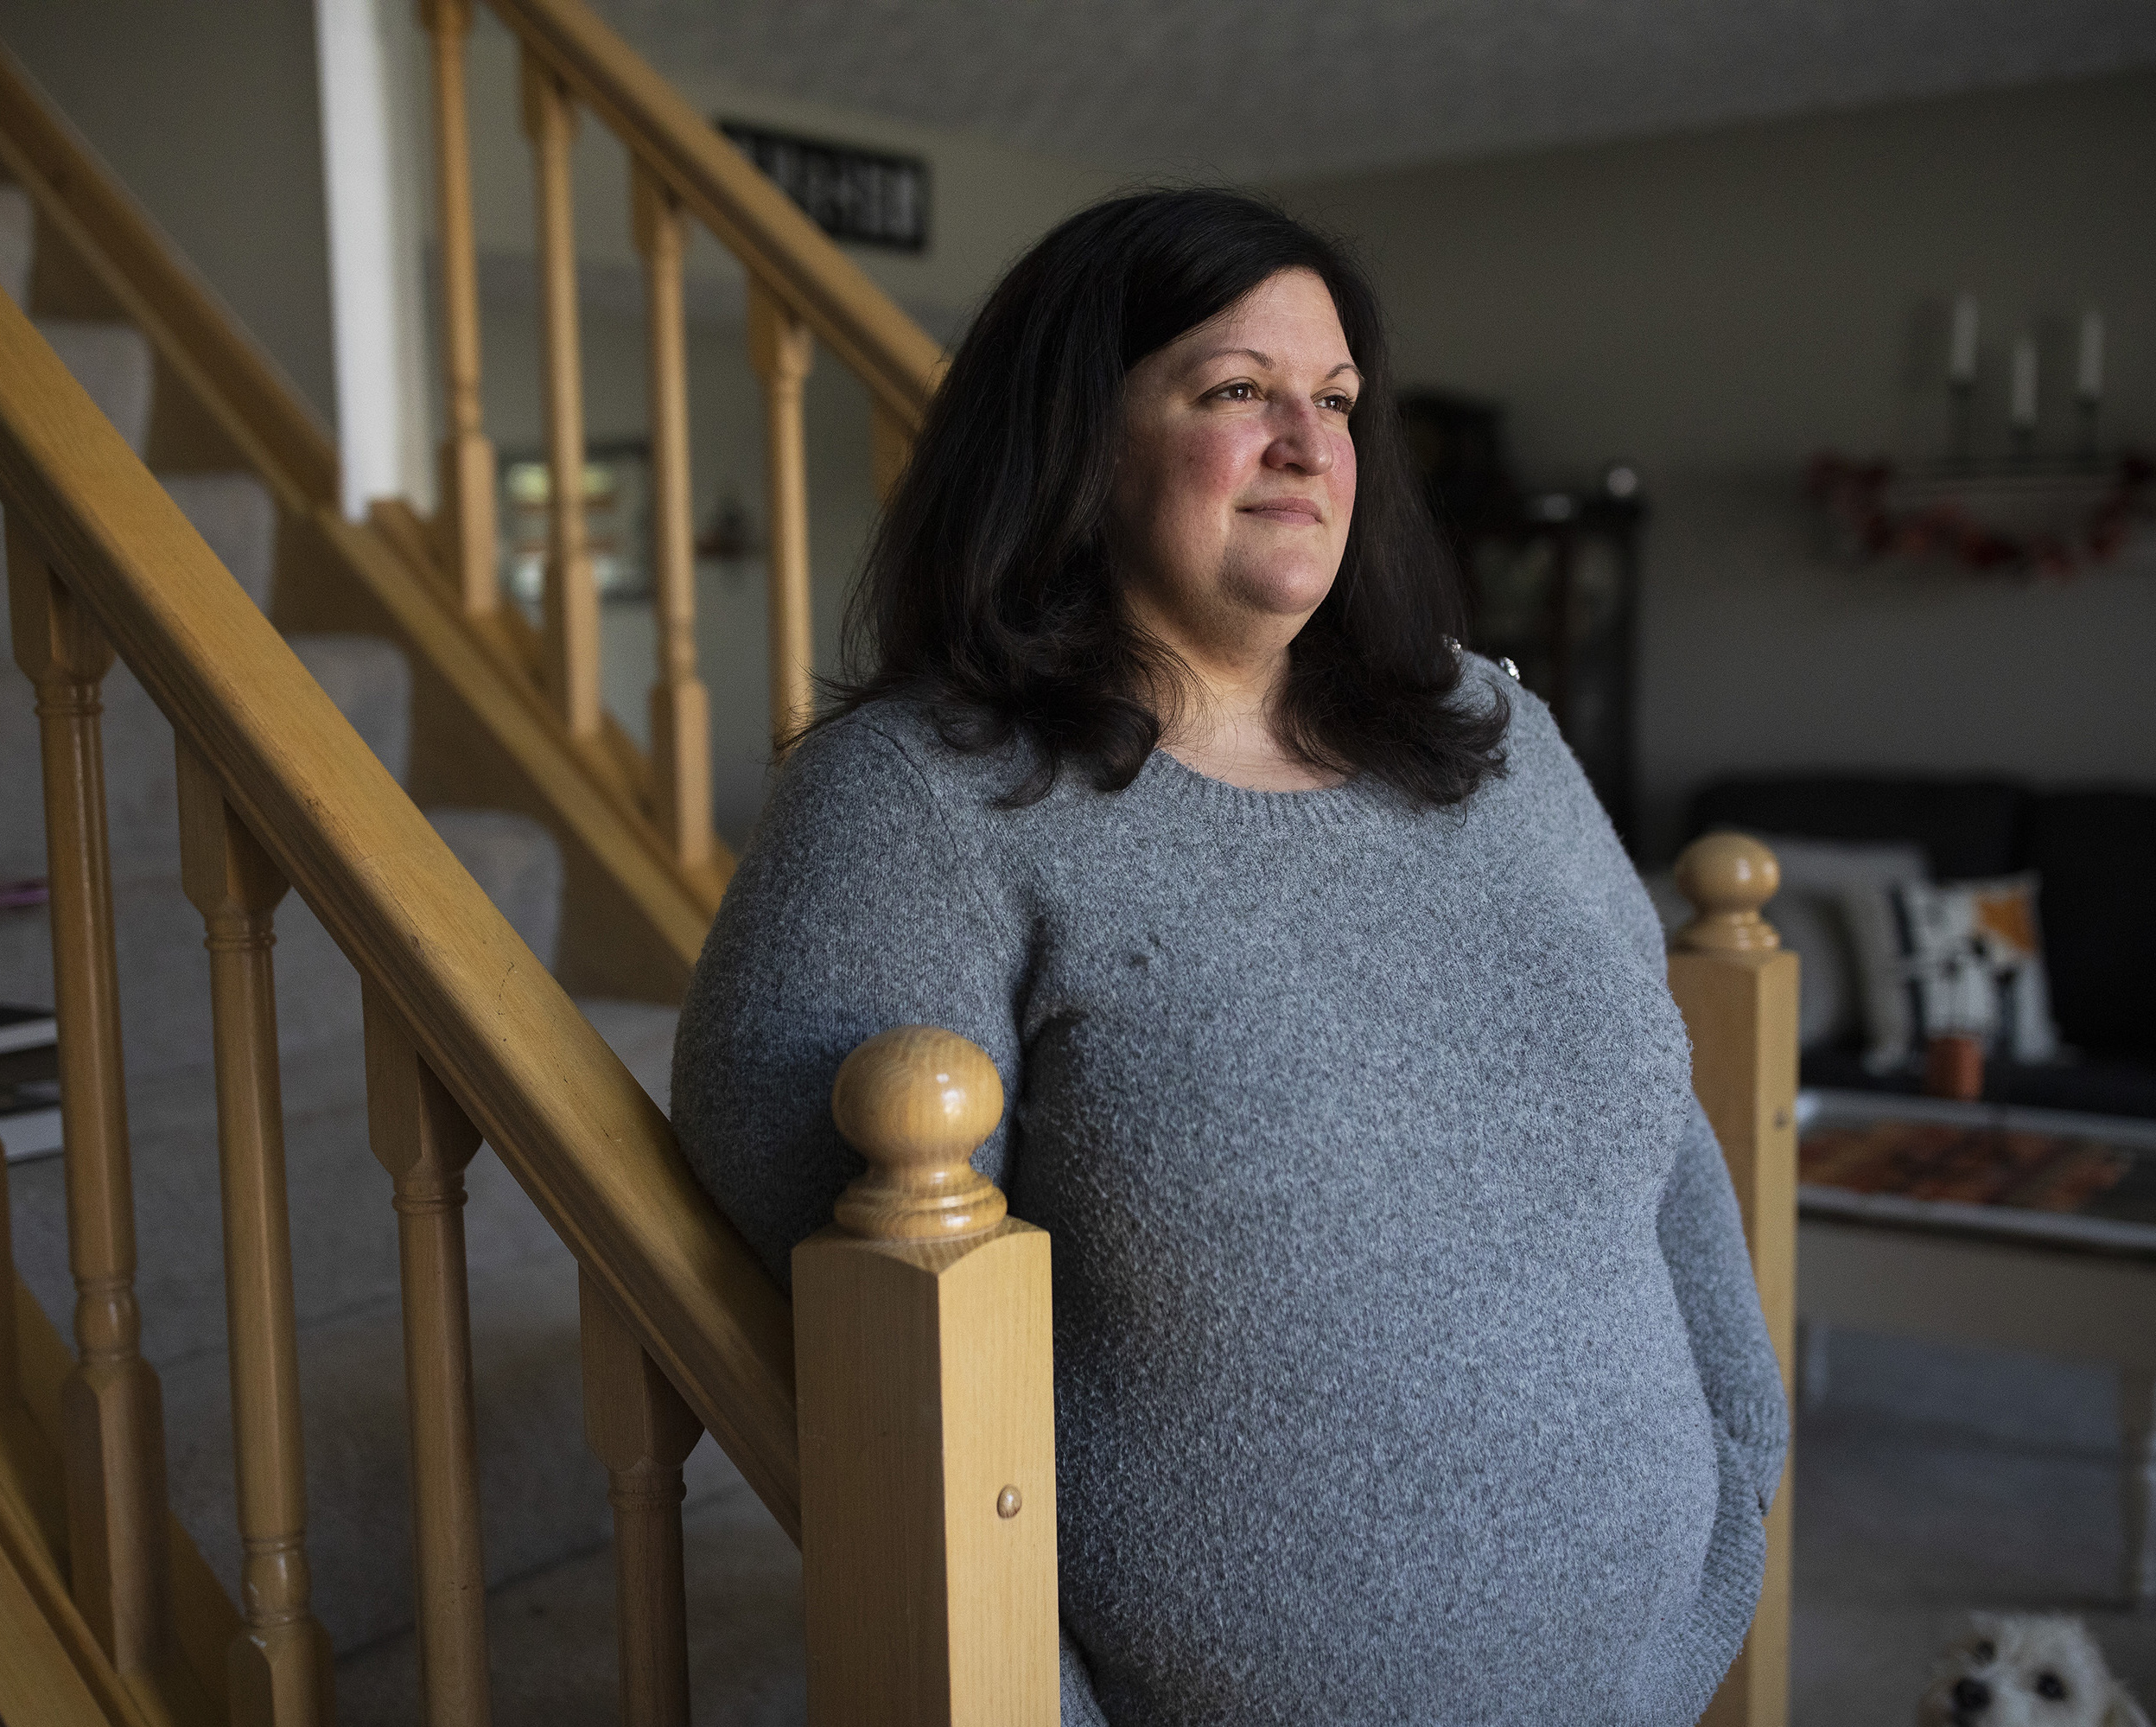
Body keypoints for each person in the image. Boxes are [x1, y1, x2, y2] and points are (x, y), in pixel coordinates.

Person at [673, 188, 1787, 1726]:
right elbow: (861, 1357)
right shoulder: (925, 796)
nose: (1313, 446)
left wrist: (1739, 1460)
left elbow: (1666, 1143)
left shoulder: (1495, 736)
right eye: (1236, 392)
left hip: (1653, 1679)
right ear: (1076, 439)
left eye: (1334, 401)